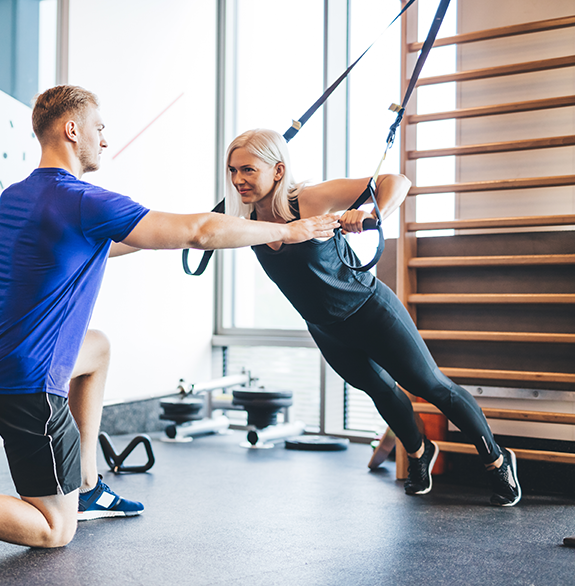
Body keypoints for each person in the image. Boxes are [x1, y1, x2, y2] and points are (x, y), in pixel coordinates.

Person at [0, 87, 341, 557]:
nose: (104, 139)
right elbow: (197, 232)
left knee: (98, 347)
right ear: (72, 129)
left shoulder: (17, 199)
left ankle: (84, 484)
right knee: (53, 529)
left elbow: (112, 241)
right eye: (99, 128)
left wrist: (169, 232)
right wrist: (288, 229)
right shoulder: (84, 200)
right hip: (26, 381)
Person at [222, 127, 522, 507]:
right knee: (379, 391)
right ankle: (418, 454)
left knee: (431, 385)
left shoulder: (310, 199)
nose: (237, 180)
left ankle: (496, 459)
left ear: (278, 171)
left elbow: (396, 181)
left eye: (247, 170)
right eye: (232, 171)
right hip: (326, 328)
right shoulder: (244, 218)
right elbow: (197, 232)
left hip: (370, 310)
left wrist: (370, 213)